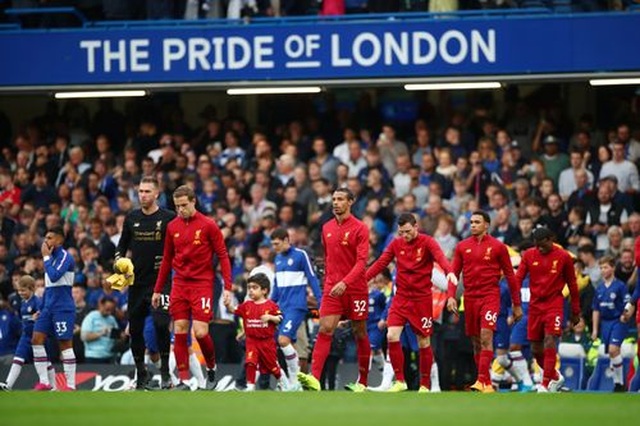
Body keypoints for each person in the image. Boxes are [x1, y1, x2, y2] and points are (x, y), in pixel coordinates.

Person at [152, 185, 233, 391]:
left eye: (184, 205)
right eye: (177, 206)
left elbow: (223, 255)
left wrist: (228, 287)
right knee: (179, 329)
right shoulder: (172, 227)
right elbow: (167, 259)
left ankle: (212, 368)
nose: (180, 210)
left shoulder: (208, 225)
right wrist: (158, 289)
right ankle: (184, 380)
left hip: (202, 284)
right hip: (179, 284)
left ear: (193, 202)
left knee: (200, 332)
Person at [365, 213, 457, 392]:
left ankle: (425, 384)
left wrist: (450, 276)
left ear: (416, 227)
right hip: (401, 299)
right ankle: (399, 380)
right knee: (391, 336)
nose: (404, 236)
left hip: (421, 300)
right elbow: (381, 263)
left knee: (424, 342)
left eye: (407, 231)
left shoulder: (428, 242)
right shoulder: (396, 243)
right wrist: (362, 279)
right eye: (401, 232)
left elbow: (443, 261)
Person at [298, 188, 371, 392]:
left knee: (360, 331)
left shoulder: (360, 228)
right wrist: (330, 281)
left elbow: (361, 262)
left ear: (351, 202)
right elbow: (329, 257)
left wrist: (345, 282)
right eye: (334, 199)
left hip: (355, 288)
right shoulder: (326, 227)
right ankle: (314, 378)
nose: (336, 203)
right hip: (332, 287)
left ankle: (363, 382)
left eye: (340, 199)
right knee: (325, 328)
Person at [448, 210, 522, 393]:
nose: (473, 224)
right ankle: (487, 382)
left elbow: (511, 277)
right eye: (471, 222)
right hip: (470, 297)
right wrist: (451, 296)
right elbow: (453, 274)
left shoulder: (498, 247)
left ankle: (481, 380)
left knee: (485, 336)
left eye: (477, 222)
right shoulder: (462, 246)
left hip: (490, 296)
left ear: (487, 225)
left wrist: (517, 304)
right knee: (475, 342)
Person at [115, 175, 176, 389]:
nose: (143, 195)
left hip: (161, 281)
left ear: (157, 193)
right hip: (137, 282)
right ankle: (141, 373)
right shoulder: (131, 218)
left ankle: (166, 373)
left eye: (147, 191)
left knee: (160, 323)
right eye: (140, 191)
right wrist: (120, 264)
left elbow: (178, 246)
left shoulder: (169, 218)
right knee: (136, 329)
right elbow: (121, 247)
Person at [515, 227, 580, 393]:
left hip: (554, 304)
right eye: (537, 245)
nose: (540, 249)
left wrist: (575, 311)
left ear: (551, 239)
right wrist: (515, 303)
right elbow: (518, 279)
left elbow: (572, 285)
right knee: (535, 349)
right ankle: (556, 377)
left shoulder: (563, 257)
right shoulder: (529, 255)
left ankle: (545, 384)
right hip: (535, 305)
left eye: (542, 245)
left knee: (550, 340)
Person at [270, 228, 322, 390]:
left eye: (277, 244)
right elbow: (277, 289)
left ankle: (294, 382)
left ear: (286, 240)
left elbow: (312, 278)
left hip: (296, 306)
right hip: (282, 308)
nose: (275, 247)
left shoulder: (300, 255)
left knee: (283, 340)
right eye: (273, 244)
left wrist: (321, 302)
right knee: (281, 345)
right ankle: (291, 382)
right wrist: (269, 306)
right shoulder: (278, 259)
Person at [224, 273, 291, 391]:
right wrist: (228, 304)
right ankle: (250, 386)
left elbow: (280, 318)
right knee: (250, 362)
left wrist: (270, 317)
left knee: (272, 367)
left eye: (254, 288)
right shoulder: (246, 306)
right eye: (249, 287)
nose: (250, 291)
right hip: (252, 341)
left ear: (264, 290)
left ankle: (284, 383)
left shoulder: (271, 305)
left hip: (267, 342)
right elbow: (233, 310)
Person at [32, 225, 77, 391]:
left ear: (59, 240)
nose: (46, 241)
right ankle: (45, 381)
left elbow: (54, 275)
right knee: (36, 339)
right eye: (45, 238)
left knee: (65, 343)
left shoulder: (66, 257)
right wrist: (42, 307)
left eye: (50, 238)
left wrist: (45, 258)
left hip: (63, 308)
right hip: (48, 308)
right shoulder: (50, 258)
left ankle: (71, 385)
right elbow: (48, 286)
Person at [0, 276, 55, 391]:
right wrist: (30, 319)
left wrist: (37, 317)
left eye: (23, 290)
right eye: (19, 290)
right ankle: (8, 384)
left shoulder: (37, 302)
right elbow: (24, 320)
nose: (21, 293)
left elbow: (43, 316)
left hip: (38, 336)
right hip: (25, 336)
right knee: (18, 358)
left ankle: (53, 387)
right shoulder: (23, 303)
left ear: (32, 289)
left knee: (46, 361)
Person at [591, 256, 630, 392]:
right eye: (601, 267)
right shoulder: (599, 288)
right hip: (605, 323)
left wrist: (626, 315)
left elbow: (628, 304)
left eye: (606, 267)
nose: (603, 270)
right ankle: (618, 383)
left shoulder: (620, 286)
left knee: (613, 349)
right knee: (613, 353)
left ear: (613, 268)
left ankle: (619, 383)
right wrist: (595, 330)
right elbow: (596, 310)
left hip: (617, 321)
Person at [80, 296, 120, 363]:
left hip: (109, 355)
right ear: (101, 305)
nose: (109, 312)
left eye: (111, 310)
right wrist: (101, 333)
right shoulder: (91, 317)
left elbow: (117, 337)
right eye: (107, 309)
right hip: (93, 356)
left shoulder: (112, 319)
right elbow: (84, 337)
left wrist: (120, 336)